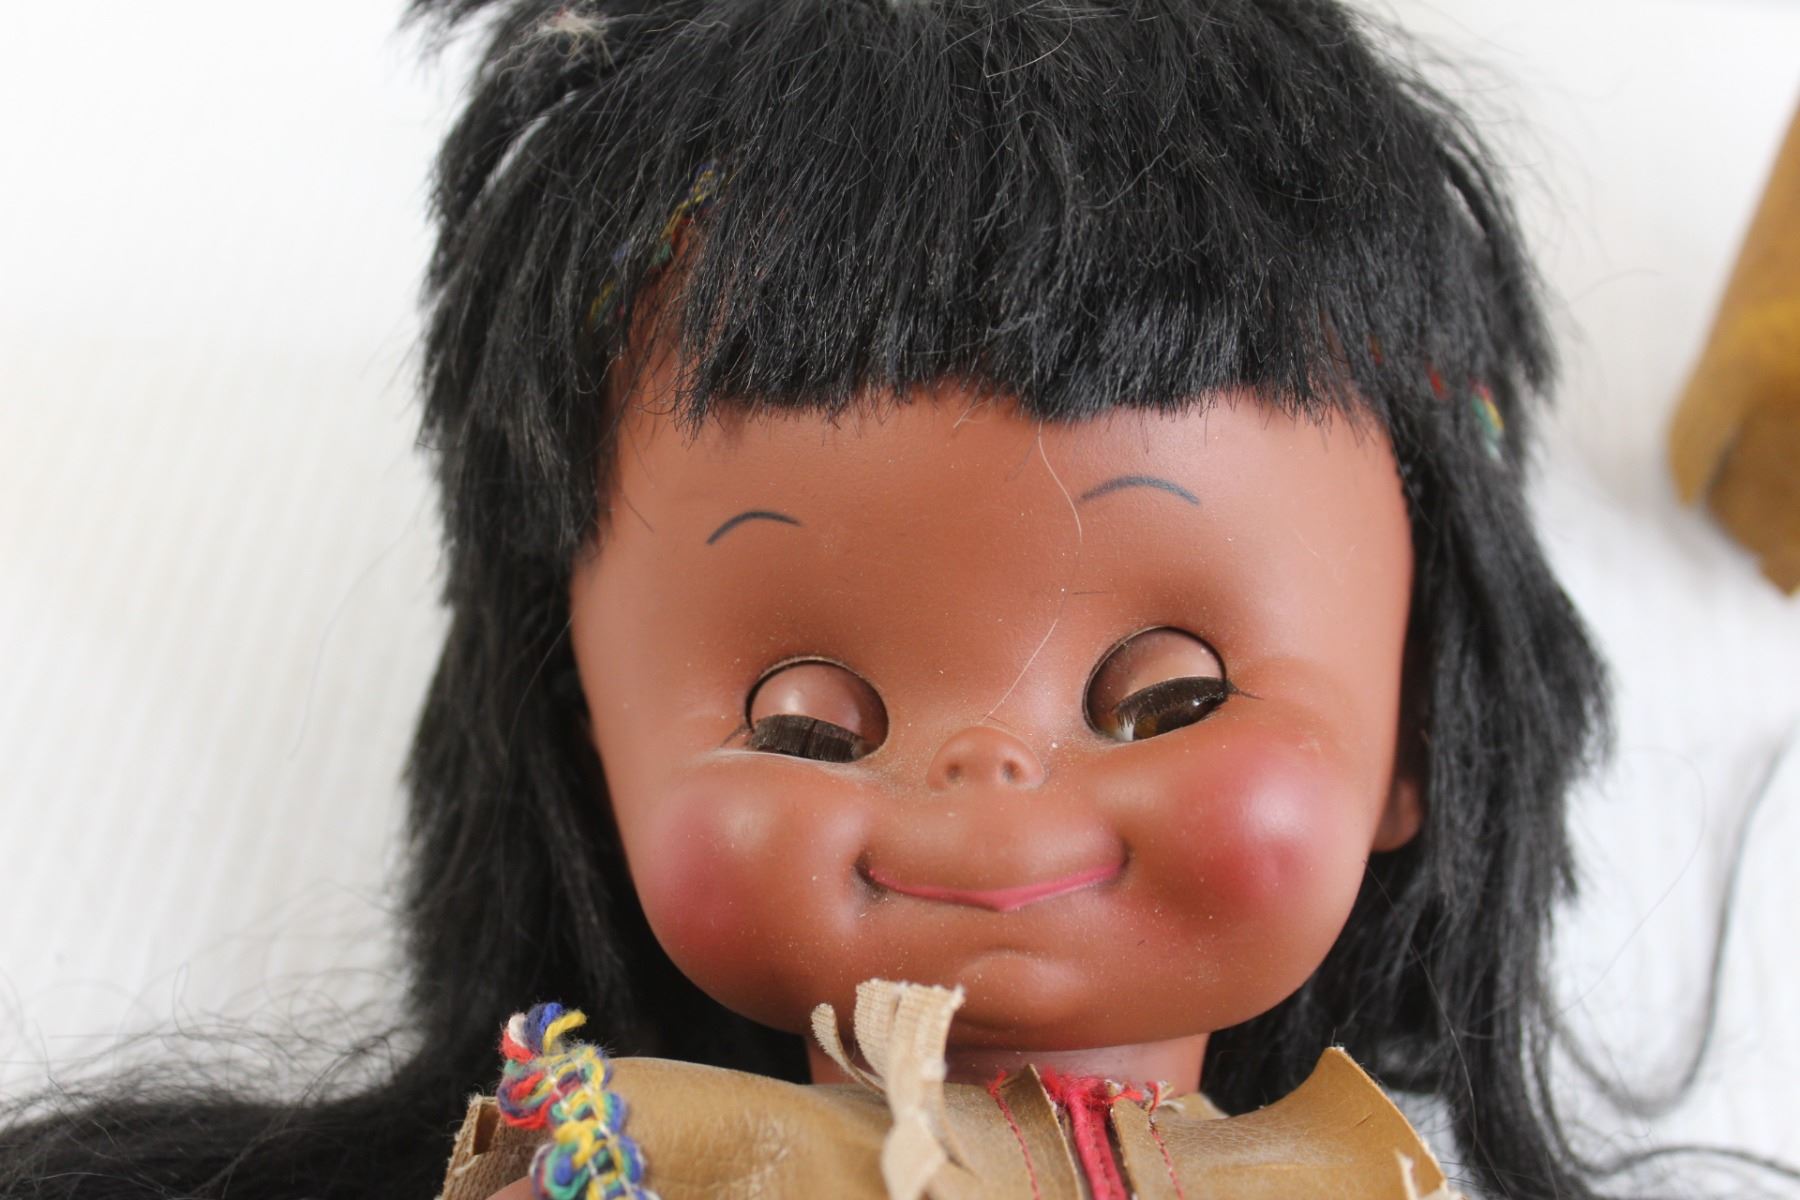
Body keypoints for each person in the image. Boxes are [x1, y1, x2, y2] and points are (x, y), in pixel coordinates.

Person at [2, 0, 1622, 1196]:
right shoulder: (647, 1156)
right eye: (805, 725)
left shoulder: (1359, 1171)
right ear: (591, 745)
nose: (988, 771)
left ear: (1420, 730)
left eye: (1166, 697)